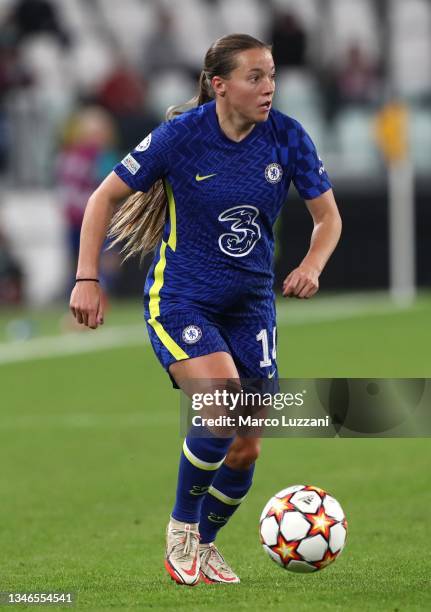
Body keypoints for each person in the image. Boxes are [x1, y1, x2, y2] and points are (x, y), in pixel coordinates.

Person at [69, 34, 342, 586]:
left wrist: (312, 265)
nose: (269, 88)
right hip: (182, 297)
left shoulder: (287, 137)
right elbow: (102, 198)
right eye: (255, 77)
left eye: (272, 76)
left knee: (246, 446)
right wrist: (87, 278)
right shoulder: (180, 136)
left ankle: (207, 544)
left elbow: (328, 218)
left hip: (251, 305)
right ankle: (181, 529)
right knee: (221, 407)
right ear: (220, 85)